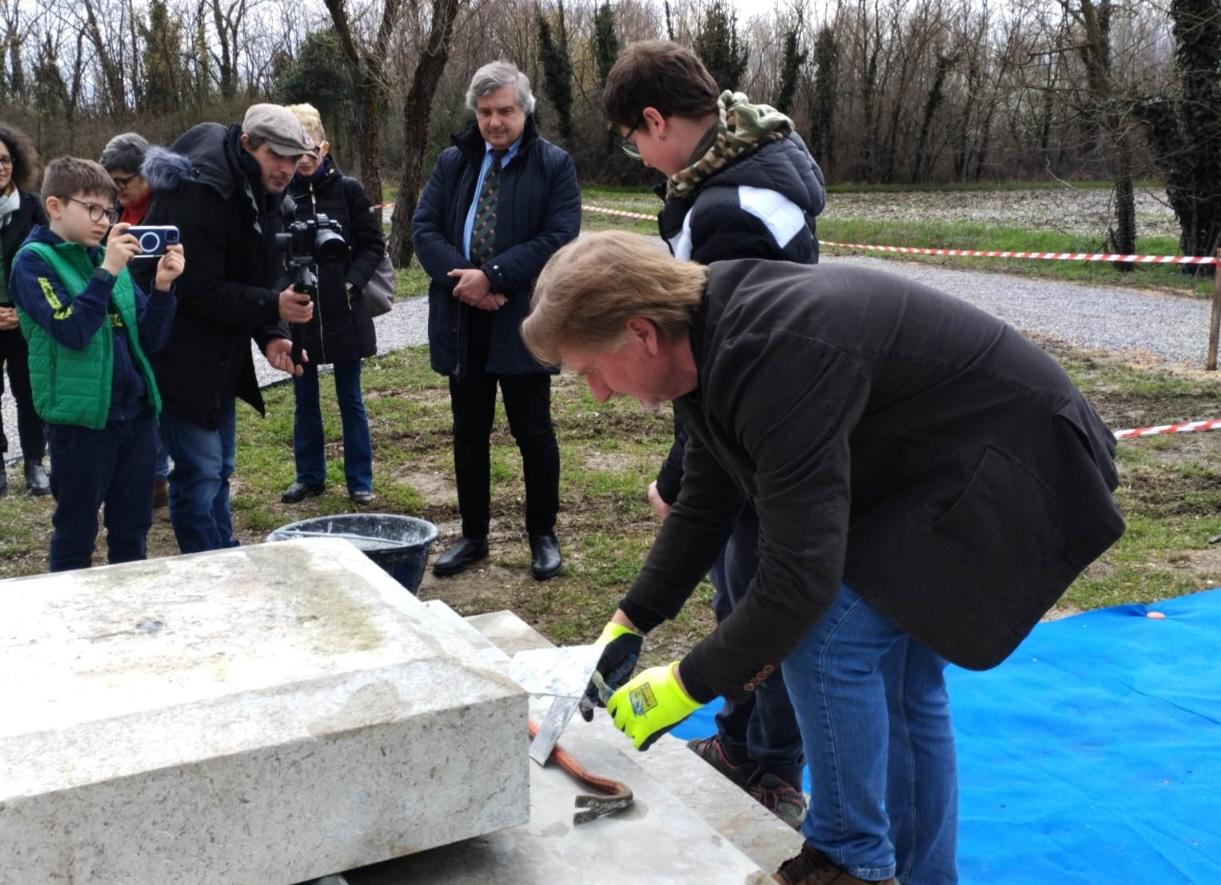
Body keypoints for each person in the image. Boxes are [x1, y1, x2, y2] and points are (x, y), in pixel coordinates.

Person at [522, 231, 1126, 885]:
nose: (600, 394)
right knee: (899, 684)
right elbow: (704, 500)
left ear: (641, 332)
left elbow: (797, 579)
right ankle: (920, 876)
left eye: (591, 370)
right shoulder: (704, 331)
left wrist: (685, 684)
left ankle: (848, 862)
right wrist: (629, 621)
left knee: (826, 634)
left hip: (1020, 465)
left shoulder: (775, 352)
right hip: (952, 463)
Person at [602, 40, 826, 827]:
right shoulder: (740, 168)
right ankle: (742, 742)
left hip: (763, 438)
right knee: (740, 593)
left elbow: (719, 366)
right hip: (756, 429)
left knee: (762, 602)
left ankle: (770, 768)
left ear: (656, 120)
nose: (637, 157)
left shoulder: (730, 211)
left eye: (634, 140)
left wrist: (680, 475)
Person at [412, 60, 580, 581]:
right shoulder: (453, 161)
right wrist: (467, 282)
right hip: (463, 319)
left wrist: (495, 275)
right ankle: (474, 535)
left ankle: (543, 535)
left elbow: (559, 235)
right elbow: (424, 228)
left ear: (525, 110)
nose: (494, 122)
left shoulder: (553, 164)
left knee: (534, 431)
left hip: (524, 318)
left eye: (505, 110)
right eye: (485, 112)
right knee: (468, 432)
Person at [135, 104, 315, 553]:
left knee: (221, 467)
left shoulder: (262, 188)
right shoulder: (199, 190)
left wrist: (274, 332)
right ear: (248, 144)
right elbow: (195, 289)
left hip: (222, 354)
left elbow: (255, 274)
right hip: (177, 351)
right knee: (200, 472)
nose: (288, 169)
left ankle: (223, 552)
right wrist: (272, 304)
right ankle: (208, 564)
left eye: (296, 159)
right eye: (279, 156)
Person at [8, 157, 183, 570]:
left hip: (135, 418)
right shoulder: (33, 262)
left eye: (109, 210)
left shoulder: (107, 257)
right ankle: (73, 623)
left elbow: (150, 339)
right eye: (91, 209)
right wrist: (106, 272)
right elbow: (71, 329)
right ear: (54, 206)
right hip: (80, 423)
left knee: (132, 528)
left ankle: (128, 620)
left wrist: (162, 288)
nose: (103, 220)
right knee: (75, 532)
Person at [280, 103, 381, 506]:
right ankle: (310, 475)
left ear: (325, 147)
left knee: (350, 399)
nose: (303, 161)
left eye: (310, 152)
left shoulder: (349, 190)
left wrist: (353, 284)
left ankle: (360, 479)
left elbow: (373, 244)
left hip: (345, 312)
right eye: (295, 153)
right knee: (304, 399)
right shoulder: (280, 195)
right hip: (301, 313)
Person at [99, 131, 171, 509]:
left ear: (147, 174)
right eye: (111, 183)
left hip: (156, 312)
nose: (117, 191)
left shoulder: (168, 207)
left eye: (124, 182)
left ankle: (157, 475)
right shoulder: (108, 212)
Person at [0, 124, 50, 497]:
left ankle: (34, 461)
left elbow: (50, 263)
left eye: (4, 160)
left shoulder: (34, 208)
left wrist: (25, 310)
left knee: (29, 392)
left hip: (25, 319)